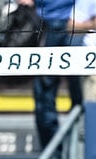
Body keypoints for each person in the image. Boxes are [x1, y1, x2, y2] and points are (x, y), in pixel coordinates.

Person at [34, 0, 83, 149]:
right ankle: (54, 153)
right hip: (45, 25)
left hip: (78, 25)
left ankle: (75, 150)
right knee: (45, 96)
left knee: (80, 97)